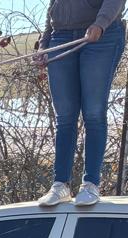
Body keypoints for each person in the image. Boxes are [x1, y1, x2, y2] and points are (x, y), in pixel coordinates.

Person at [37, 0, 126, 207]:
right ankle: (60, 185)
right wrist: (45, 41)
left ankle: (91, 184)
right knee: (65, 116)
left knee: (93, 113)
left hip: (101, 35)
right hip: (60, 35)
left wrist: (101, 23)